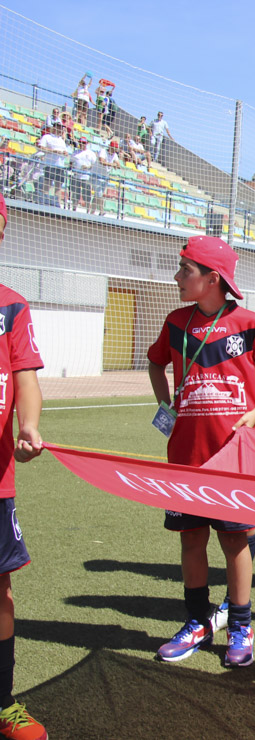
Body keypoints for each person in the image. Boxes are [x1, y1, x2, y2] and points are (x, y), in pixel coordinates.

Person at [147, 235, 255, 668]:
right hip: (185, 457)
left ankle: (241, 626)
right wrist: (165, 403)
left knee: (234, 539)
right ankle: (196, 622)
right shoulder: (175, 322)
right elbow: (155, 361)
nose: (176, 277)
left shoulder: (249, 324)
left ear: (213, 279)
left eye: (185, 270)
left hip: (232, 459)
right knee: (191, 538)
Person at [0, 195, 49, 740]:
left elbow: (26, 377)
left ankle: (3, 701)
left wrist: (28, 425)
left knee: (0, 590)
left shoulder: (11, 306)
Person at [35, 123, 68, 207]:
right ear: (54, 128)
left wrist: (65, 153)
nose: (61, 130)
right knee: (47, 185)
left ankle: (57, 204)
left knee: (58, 187)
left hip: (60, 166)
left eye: (62, 129)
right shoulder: (47, 137)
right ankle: (43, 203)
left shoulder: (61, 140)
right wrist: (53, 151)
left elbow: (65, 152)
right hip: (50, 165)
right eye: (59, 128)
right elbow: (41, 147)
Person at [69, 138, 96, 213]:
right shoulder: (75, 152)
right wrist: (72, 167)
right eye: (81, 143)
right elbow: (71, 162)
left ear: (86, 144)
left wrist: (87, 167)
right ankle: (74, 209)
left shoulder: (91, 153)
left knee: (87, 195)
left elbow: (94, 165)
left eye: (84, 143)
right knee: (75, 194)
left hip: (86, 177)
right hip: (76, 176)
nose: (82, 144)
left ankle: (87, 210)